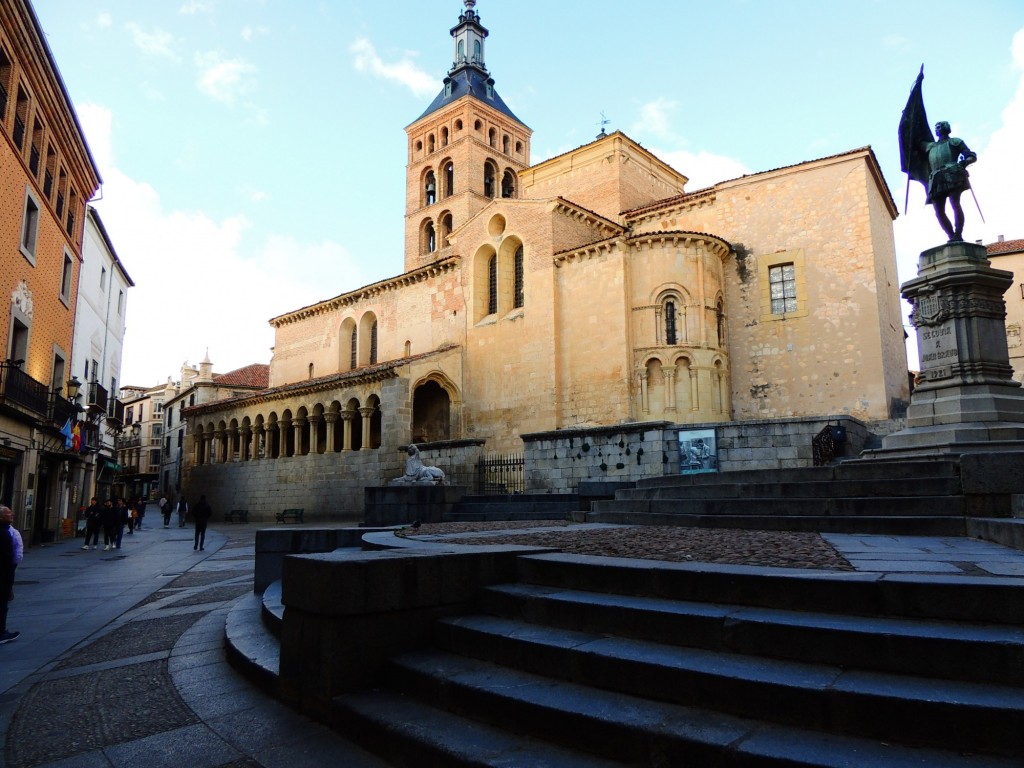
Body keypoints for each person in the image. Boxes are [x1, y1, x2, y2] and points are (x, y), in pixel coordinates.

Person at [1, 504, 23, 644]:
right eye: (9, 513)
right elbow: (8, 556)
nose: (12, 514)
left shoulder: (8, 531)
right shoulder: (4, 533)